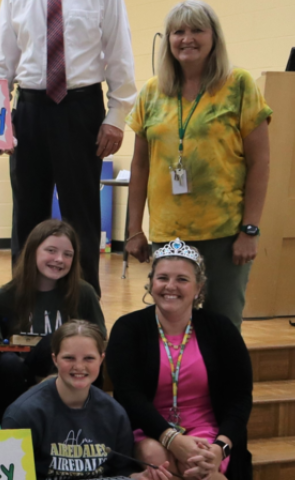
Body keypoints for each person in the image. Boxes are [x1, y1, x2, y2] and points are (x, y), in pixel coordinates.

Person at [124, 0, 272, 330]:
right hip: (169, 235)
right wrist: (134, 229)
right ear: (169, 41)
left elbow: (260, 163)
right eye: (178, 32)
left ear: (214, 38)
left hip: (225, 233)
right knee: (170, 322)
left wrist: (250, 229)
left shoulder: (239, 85)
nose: (186, 38)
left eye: (196, 30)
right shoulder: (151, 92)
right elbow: (140, 166)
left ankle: (223, 383)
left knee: (222, 324)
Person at [0, 0, 137, 299]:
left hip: (81, 107)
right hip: (30, 107)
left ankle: (83, 307)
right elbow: (2, 60)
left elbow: (119, 51)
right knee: (26, 214)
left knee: (81, 215)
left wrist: (117, 116)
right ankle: (23, 303)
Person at [108, 240, 253, 479]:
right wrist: (172, 439)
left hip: (209, 434)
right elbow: (128, 394)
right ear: (151, 282)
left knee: (201, 465)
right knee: (155, 456)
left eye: (182, 279)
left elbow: (240, 397)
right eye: (162, 278)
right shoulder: (128, 328)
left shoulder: (221, 328)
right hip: (149, 429)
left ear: (199, 287)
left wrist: (220, 448)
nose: (170, 286)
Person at [2, 320, 173, 480]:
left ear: (101, 360)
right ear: (55, 359)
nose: (79, 367)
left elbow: (122, 469)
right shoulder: (24, 414)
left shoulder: (114, 413)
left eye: (89, 358)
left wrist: (137, 477)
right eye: (69, 358)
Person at [0, 219, 105, 417]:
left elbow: (98, 340)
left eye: (67, 254)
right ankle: (11, 423)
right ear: (33, 251)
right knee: (8, 363)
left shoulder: (84, 293)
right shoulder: (6, 296)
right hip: (20, 376)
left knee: (58, 342)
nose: (59, 259)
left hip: (67, 372)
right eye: (51, 251)